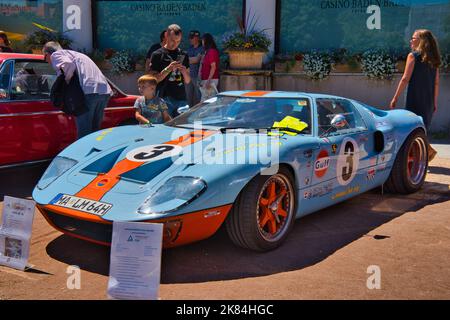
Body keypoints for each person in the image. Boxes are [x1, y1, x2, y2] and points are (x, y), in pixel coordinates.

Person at [42, 41, 112, 139]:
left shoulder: (56, 54)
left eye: (45, 58)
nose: (47, 61)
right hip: (104, 91)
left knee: (84, 134)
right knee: (95, 132)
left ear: (47, 54)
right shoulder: (78, 55)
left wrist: (64, 83)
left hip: (88, 92)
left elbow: (67, 65)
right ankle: (94, 154)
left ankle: (83, 154)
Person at [390, 29, 441, 161]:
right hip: (428, 101)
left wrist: (395, 97)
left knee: (412, 129)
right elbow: (436, 83)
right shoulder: (434, 60)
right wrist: (434, 102)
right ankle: (424, 153)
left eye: (413, 38)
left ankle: (422, 155)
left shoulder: (413, 56)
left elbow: (405, 79)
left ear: (421, 41)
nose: (411, 41)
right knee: (420, 129)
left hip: (415, 99)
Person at [149, 24, 191, 117]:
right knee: (164, 128)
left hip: (181, 99)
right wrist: (168, 69)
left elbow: (188, 81)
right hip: (164, 98)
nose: (175, 44)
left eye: (178, 41)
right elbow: (154, 79)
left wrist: (184, 71)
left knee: (182, 128)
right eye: (173, 40)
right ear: (166, 35)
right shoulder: (157, 54)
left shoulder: (183, 54)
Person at [199, 33, 219, 102]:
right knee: (207, 102)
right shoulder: (208, 51)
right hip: (208, 80)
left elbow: (213, 67)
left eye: (203, 40)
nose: (202, 42)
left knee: (208, 102)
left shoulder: (211, 51)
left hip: (210, 80)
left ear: (206, 41)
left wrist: (208, 80)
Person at [187, 30, 203, 105]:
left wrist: (187, 60)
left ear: (198, 38)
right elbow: (185, 60)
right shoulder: (190, 48)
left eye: (192, 38)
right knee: (188, 97)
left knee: (198, 96)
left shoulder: (202, 48)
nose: (190, 39)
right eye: (190, 37)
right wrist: (191, 59)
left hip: (197, 76)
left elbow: (196, 60)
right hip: (188, 75)